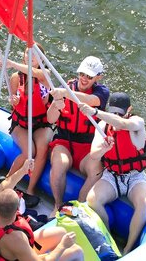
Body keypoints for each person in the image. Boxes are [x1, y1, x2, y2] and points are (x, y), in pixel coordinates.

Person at [80, 92, 146, 255]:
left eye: (119, 113)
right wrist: (103, 149)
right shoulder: (102, 125)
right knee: (92, 200)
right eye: (112, 112)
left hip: (135, 176)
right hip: (112, 175)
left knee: (144, 202)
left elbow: (123, 124)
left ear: (129, 110)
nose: (115, 116)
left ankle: (128, 248)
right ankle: (108, 240)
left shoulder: (137, 123)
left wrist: (95, 112)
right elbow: (94, 155)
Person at [46, 56, 110, 211]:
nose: (84, 79)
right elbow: (50, 119)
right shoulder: (66, 88)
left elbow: (91, 100)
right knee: (59, 163)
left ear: (97, 77)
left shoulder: (102, 92)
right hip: (64, 142)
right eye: (82, 74)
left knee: (96, 170)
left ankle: (80, 205)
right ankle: (58, 205)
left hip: (87, 147)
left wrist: (66, 94)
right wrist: (55, 105)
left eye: (89, 76)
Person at [3, 45, 53, 205]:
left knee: (43, 147)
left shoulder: (46, 75)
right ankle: (7, 182)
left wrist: (12, 63)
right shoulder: (16, 78)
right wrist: (14, 101)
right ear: (24, 56)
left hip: (40, 122)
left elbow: (36, 73)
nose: (31, 57)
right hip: (21, 124)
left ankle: (30, 190)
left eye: (35, 55)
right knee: (29, 151)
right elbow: (13, 101)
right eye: (28, 53)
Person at [0, 188, 84, 261]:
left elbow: (6, 184)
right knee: (77, 251)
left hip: (9, 252)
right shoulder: (16, 239)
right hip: (19, 252)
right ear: (17, 209)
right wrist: (62, 246)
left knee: (61, 232)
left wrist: (24, 170)